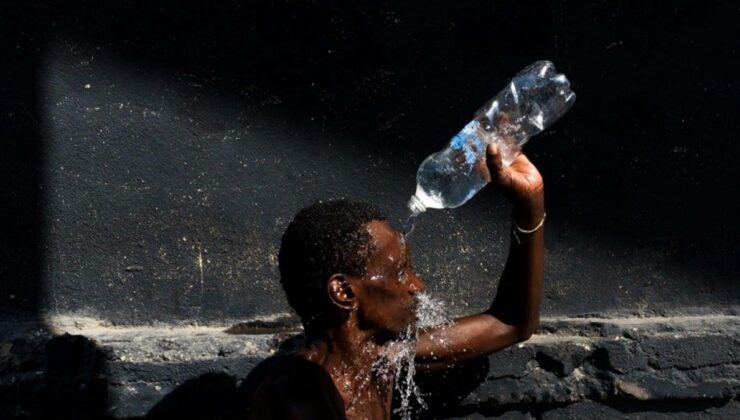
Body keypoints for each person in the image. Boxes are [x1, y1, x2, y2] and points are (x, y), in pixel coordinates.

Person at [246, 144, 545, 419]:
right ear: (344, 291)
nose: (417, 285)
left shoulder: (383, 358)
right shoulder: (298, 398)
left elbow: (511, 323)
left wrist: (530, 202)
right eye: (401, 272)